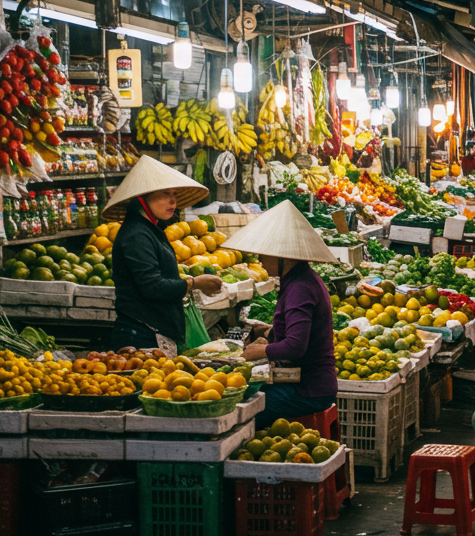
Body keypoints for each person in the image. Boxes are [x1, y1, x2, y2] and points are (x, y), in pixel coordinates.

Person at [228, 202, 341, 428]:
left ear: (283, 256)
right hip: (305, 383)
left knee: (242, 409)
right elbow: (297, 332)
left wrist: (261, 351)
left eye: (264, 253)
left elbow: (295, 346)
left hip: (309, 390)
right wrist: (269, 334)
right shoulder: (297, 279)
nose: (260, 259)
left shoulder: (300, 287)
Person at [104, 156, 222, 353]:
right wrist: (194, 283)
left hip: (153, 332)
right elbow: (153, 286)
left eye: (174, 194)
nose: (173, 200)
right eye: (165, 193)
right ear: (142, 197)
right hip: (140, 336)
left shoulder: (150, 229)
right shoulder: (136, 235)